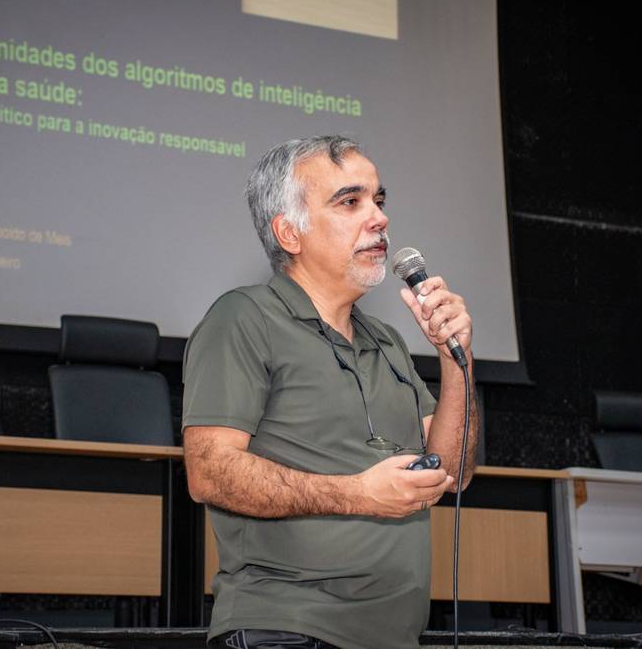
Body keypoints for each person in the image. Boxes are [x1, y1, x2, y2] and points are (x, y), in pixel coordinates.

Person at [182, 136, 479, 649]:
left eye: (379, 200)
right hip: (289, 629)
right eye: (350, 201)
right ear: (289, 232)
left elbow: (455, 472)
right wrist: (357, 494)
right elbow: (209, 472)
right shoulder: (245, 317)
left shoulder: (387, 341)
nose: (379, 218)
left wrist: (458, 361)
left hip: (395, 637)